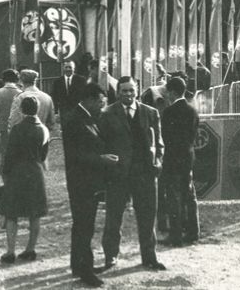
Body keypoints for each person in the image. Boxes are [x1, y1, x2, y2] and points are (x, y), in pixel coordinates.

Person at [99, 76, 166, 271]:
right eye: (124, 91)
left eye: (131, 90)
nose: (128, 94)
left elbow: (159, 142)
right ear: (118, 92)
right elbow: (102, 143)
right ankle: (110, 256)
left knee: (147, 217)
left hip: (144, 173)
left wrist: (158, 161)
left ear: (137, 91)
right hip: (118, 175)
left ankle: (149, 256)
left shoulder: (151, 113)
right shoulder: (107, 114)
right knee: (113, 218)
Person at [62, 83, 116, 287]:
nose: (102, 106)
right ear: (90, 99)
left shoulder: (85, 117)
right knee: (85, 226)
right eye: (101, 102)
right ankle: (86, 271)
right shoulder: (75, 120)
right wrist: (101, 159)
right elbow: (76, 155)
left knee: (82, 225)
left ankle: (77, 264)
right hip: (81, 182)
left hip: (87, 181)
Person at [0, 97, 50, 264]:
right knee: (35, 213)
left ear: (21, 110)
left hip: (18, 173)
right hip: (35, 172)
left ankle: (10, 251)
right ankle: (30, 249)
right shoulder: (43, 129)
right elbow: (43, 155)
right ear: (37, 109)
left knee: (11, 213)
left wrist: (5, 173)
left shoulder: (17, 129)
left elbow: (10, 154)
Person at [161, 77, 200, 247]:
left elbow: (166, 138)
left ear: (172, 92)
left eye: (167, 92)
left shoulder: (169, 112)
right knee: (190, 196)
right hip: (188, 158)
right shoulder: (193, 110)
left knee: (174, 198)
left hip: (173, 160)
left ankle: (175, 235)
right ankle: (193, 232)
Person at [0, 70, 21, 168]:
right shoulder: (21, 93)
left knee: (1, 158)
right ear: (16, 79)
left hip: (1, 129)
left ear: (4, 79)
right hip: (17, 130)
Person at [50, 61, 86, 125]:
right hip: (64, 113)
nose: (68, 69)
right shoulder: (57, 82)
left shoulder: (81, 80)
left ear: (74, 69)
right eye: (66, 67)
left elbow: (84, 96)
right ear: (63, 68)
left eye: (70, 67)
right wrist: (55, 112)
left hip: (77, 112)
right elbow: (54, 97)